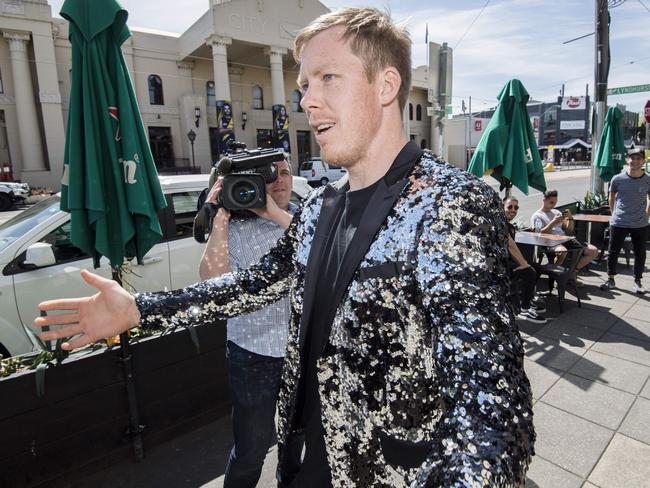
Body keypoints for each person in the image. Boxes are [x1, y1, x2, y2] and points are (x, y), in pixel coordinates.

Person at [35, 8, 534, 487]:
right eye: (304, 86)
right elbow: (252, 285)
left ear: (386, 85)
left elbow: (493, 410)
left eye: (327, 78)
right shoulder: (320, 205)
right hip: (302, 466)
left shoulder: (450, 206)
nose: (307, 101)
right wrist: (140, 310)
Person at [198, 158, 301, 487]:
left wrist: (272, 212)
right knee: (251, 450)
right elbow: (211, 280)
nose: (279, 181)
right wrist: (219, 216)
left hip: (300, 351)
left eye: (284, 173)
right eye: (268, 176)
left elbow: (320, 247)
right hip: (252, 353)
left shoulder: (303, 219)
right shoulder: (235, 229)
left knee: (294, 443)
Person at [600, 147, 650, 294]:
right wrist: (614, 213)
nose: (634, 161)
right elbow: (611, 197)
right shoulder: (617, 179)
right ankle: (610, 279)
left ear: (643, 161)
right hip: (619, 222)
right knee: (613, 251)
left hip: (640, 223)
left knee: (640, 253)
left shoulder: (648, 179)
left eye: (638, 158)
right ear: (627, 160)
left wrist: (647, 215)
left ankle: (637, 281)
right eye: (632, 158)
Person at [531, 189, 599, 278]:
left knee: (593, 251)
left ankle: (572, 272)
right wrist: (553, 222)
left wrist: (570, 218)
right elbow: (538, 234)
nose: (553, 205)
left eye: (555, 202)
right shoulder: (538, 215)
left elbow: (569, 229)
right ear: (544, 200)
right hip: (551, 241)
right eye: (551, 202)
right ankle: (556, 276)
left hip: (565, 239)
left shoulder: (556, 212)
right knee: (562, 251)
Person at [504, 196, 547, 323]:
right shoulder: (500, 224)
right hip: (500, 266)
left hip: (509, 262)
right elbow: (510, 244)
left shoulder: (510, 227)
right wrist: (523, 263)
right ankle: (524, 309)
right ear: (502, 207)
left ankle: (526, 299)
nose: (513, 210)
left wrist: (523, 262)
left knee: (537, 267)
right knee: (530, 271)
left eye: (516, 207)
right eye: (509, 207)